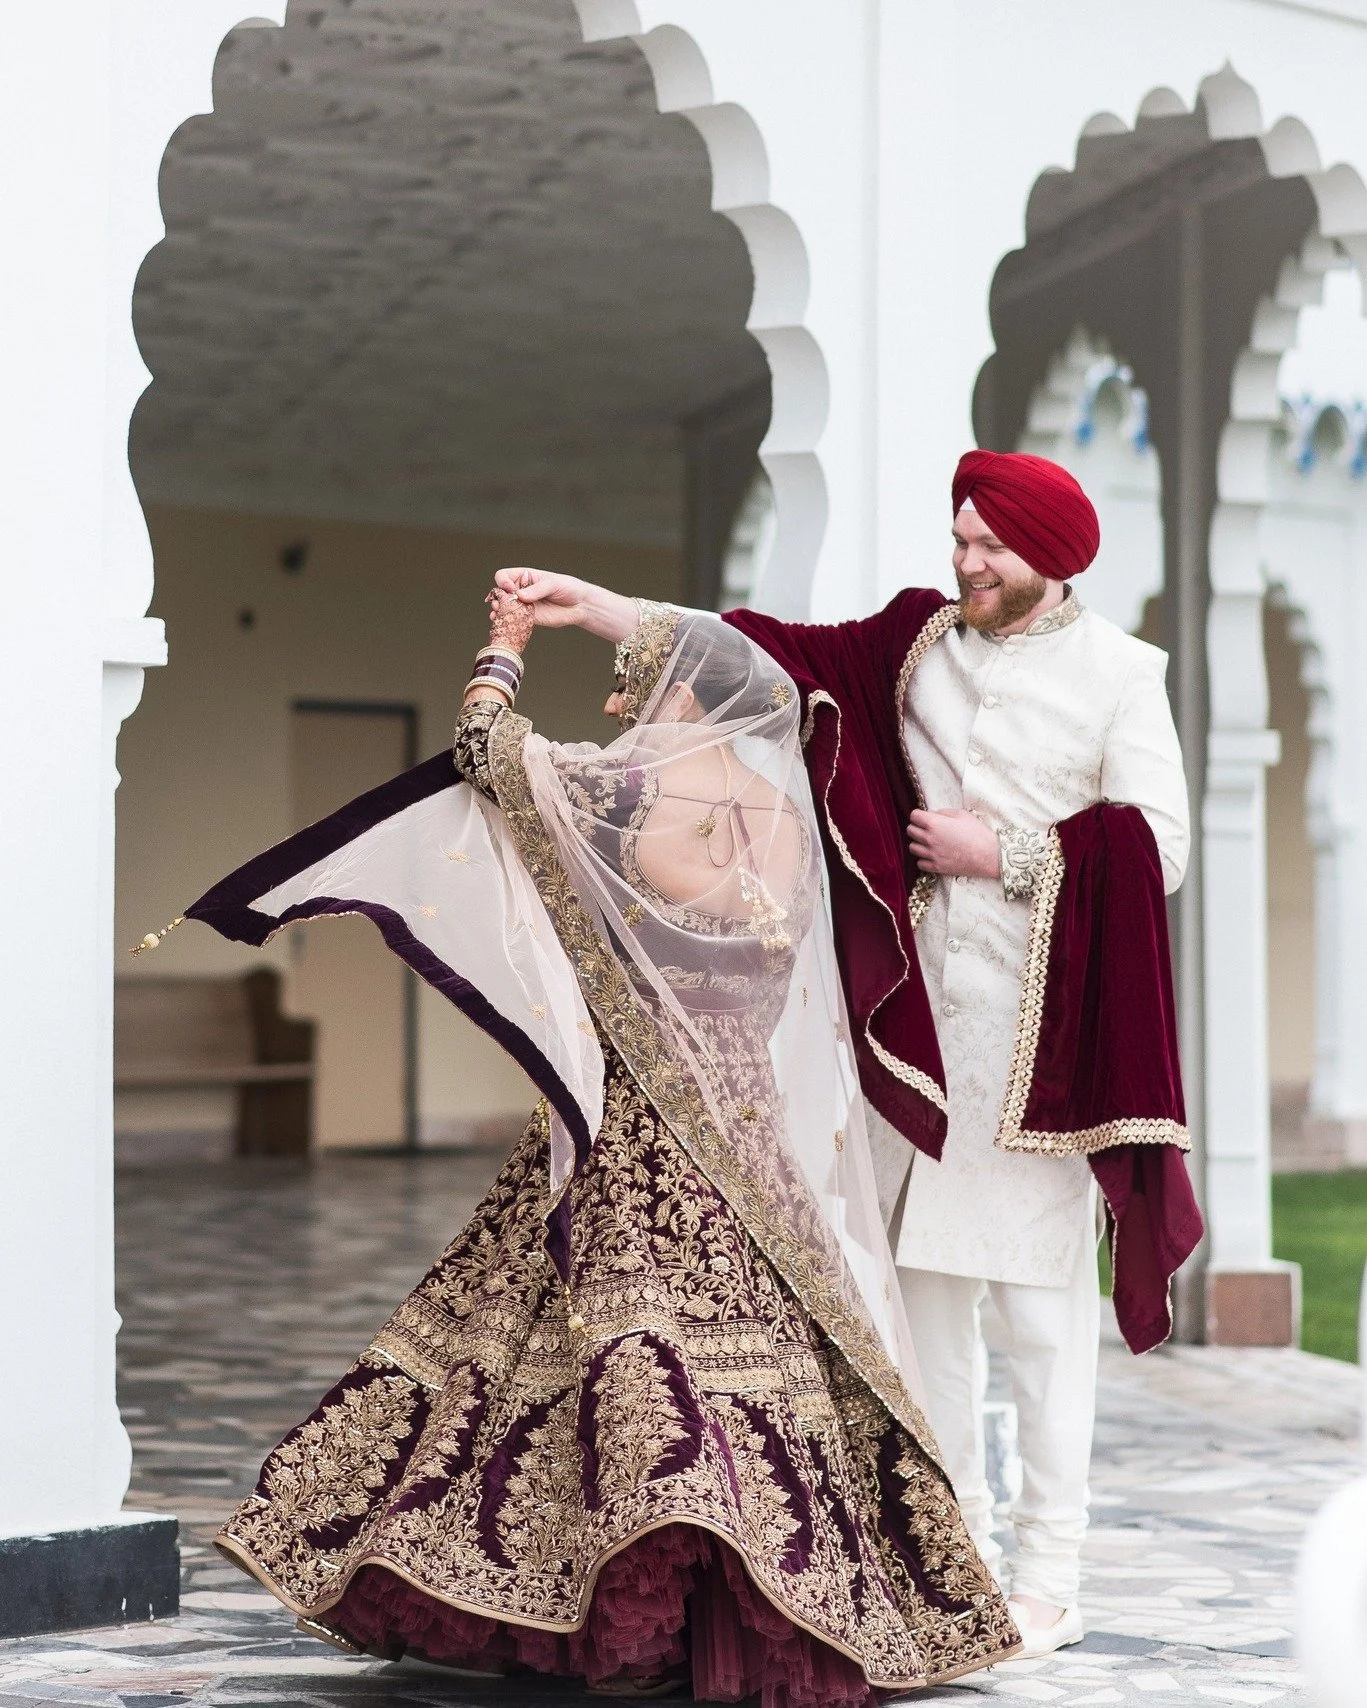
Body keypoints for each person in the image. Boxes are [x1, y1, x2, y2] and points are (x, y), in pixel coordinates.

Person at [186, 589, 1019, 1701]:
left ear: (685, 693)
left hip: (634, 1112)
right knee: (760, 1343)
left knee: (613, 1340)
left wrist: (506, 646)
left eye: (641, 680)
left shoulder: (634, 789)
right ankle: (795, 1594)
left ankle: (584, 1593)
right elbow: (768, 981)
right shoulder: (782, 818)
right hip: (743, 1118)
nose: (625, 698)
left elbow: (484, 747)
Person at [494, 448, 1204, 1659]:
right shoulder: (913, 645)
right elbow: (769, 654)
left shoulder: (1122, 676)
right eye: (958, 539)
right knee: (920, 1314)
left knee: (1037, 1325)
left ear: (1052, 555)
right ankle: (957, 1554)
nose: (963, 563)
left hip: (1044, 1055)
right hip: (916, 1048)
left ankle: (1049, 1572)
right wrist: (603, 610)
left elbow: (1161, 848)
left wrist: (1005, 852)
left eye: (987, 547)